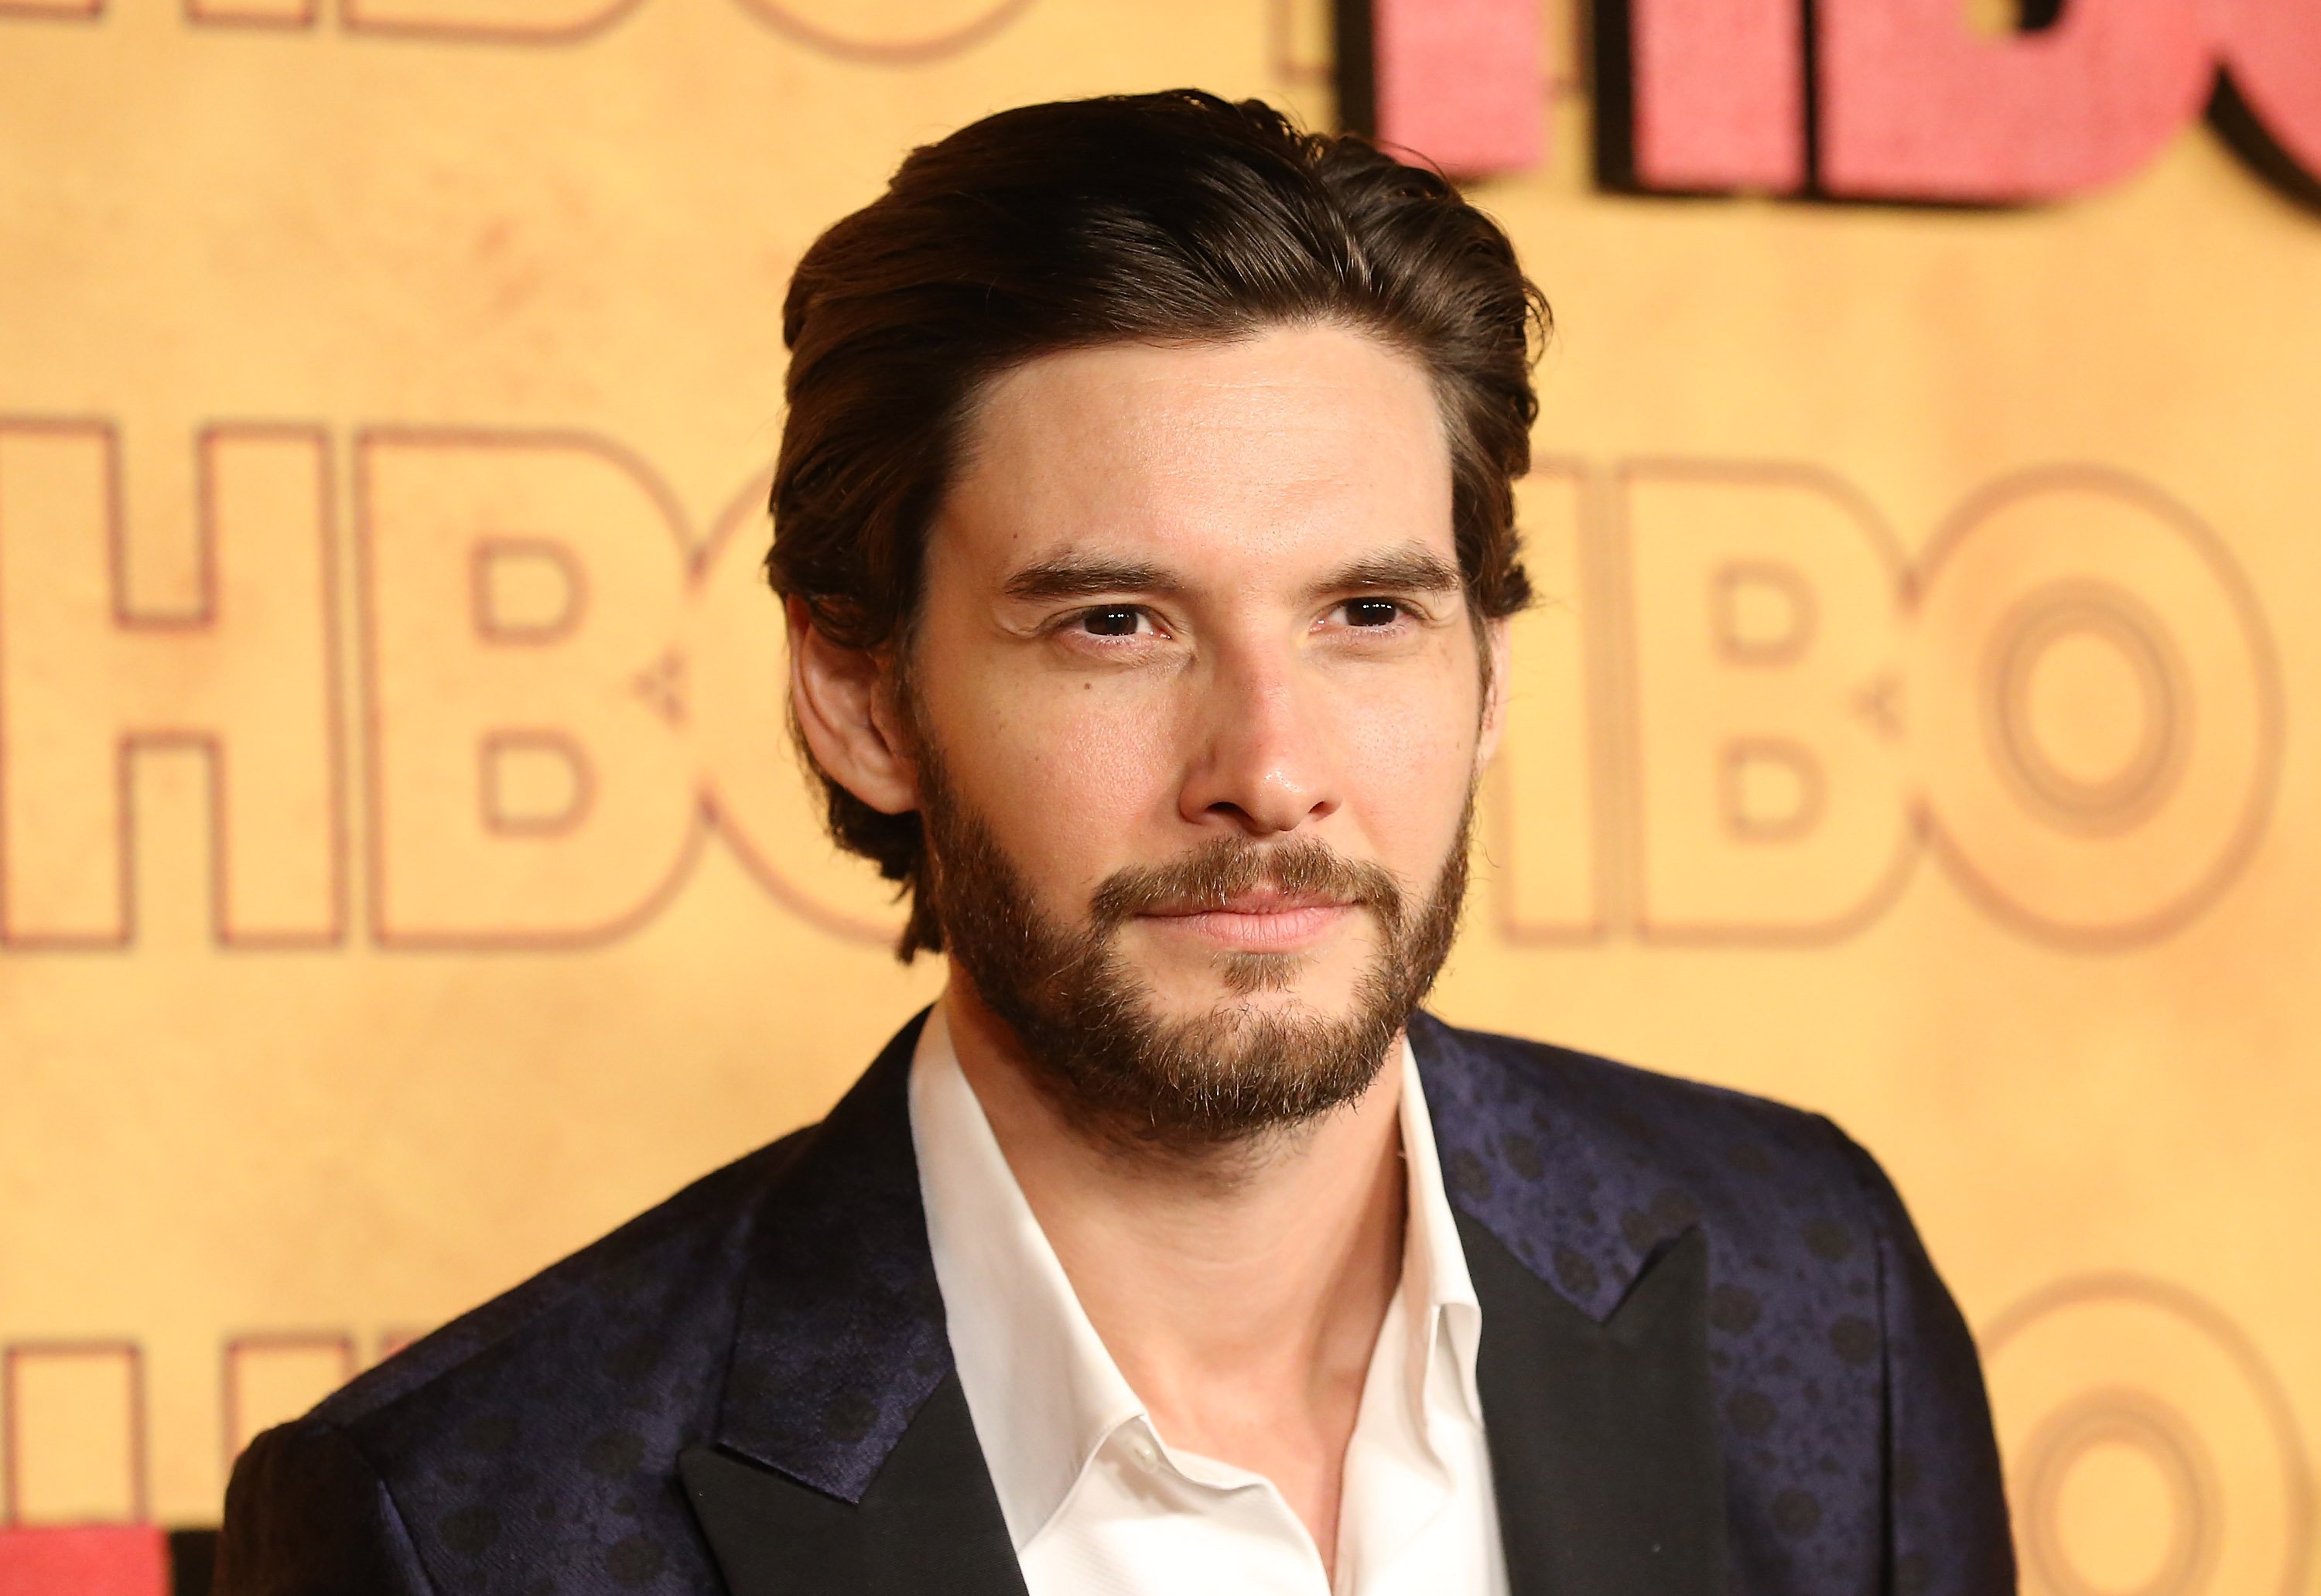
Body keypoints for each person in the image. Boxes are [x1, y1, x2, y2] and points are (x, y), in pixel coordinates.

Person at [217, 90, 2013, 1596]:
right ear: (862, 697)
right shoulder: (469, 1524)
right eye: (1114, 625)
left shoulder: (1810, 1283)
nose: (1271, 771)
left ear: (1488, 676)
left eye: (1367, 614)